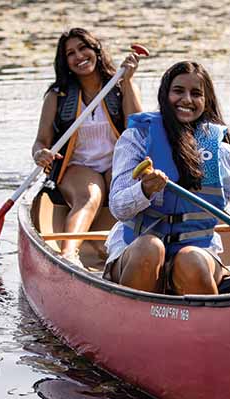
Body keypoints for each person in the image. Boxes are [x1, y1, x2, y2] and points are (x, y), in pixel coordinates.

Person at [104, 61, 230, 294]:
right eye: (178, 91)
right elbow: (118, 208)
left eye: (196, 93)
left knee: (191, 259)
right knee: (150, 247)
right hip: (136, 250)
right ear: (164, 95)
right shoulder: (136, 139)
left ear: (206, 102)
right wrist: (143, 190)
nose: (187, 99)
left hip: (197, 251)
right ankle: (133, 319)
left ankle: (211, 321)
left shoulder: (221, 151)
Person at [32, 28, 142, 264]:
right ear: (65, 62)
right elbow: (41, 141)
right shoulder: (56, 96)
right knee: (91, 195)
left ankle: (138, 252)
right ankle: (68, 255)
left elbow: (137, 126)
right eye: (71, 53)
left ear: (96, 51)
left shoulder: (119, 85)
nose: (79, 56)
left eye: (84, 48)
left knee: (133, 193)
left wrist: (129, 81)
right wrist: (40, 154)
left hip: (118, 163)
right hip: (78, 166)